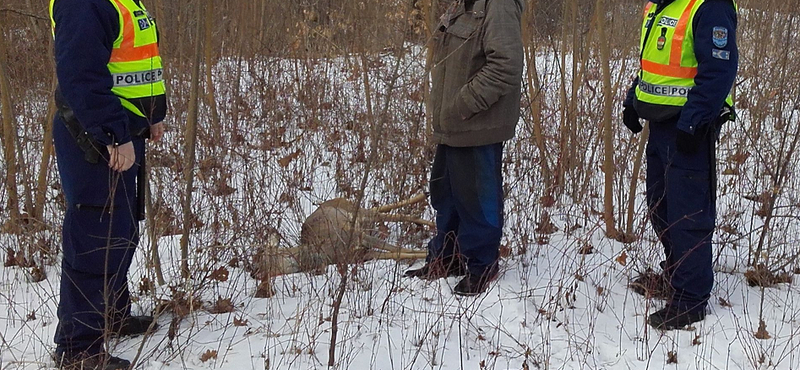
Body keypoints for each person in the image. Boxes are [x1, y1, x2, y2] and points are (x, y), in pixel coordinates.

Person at [49, 0, 168, 368]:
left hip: (126, 129)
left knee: (122, 228)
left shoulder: (123, 1)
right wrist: (113, 134)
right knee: (94, 237)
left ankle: (112, 314)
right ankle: (78, 349)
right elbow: (81, 74)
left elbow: (137, 61)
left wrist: (153, 113)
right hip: (93, 136)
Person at [622, 0, 738, 329]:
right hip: (660, 124)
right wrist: (633, 99)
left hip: (689, 129)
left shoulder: (710, 6)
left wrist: (694, 121)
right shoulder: (659, 5)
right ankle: (677, 274)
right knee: (660, 207)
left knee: (688, 214)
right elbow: (651, 64)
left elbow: (718, 71)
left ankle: (690, 298)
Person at [404, 0, 524, 296]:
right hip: (452, 125)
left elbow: (505, 65)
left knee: (477, 201)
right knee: (445, 194)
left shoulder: (500, 5)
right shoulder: (463, 4)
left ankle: (482, 265)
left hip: (476, 126)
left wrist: (463, 105)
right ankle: (447, 257)